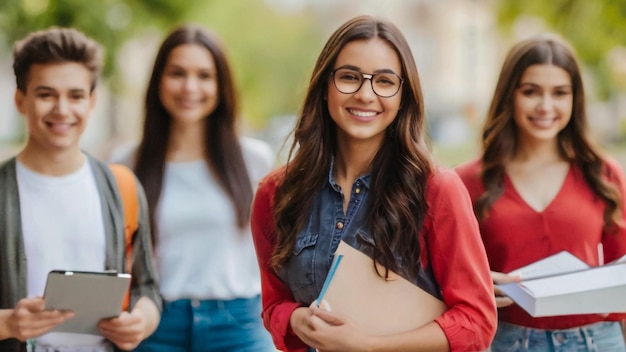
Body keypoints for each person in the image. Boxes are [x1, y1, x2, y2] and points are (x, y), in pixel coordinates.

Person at [250, 15, 497, 352]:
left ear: (403, 96)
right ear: (325, 87)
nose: (366, 94)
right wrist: (295, 320)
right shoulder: (276, 194)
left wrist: (369, 345)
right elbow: (273, 305)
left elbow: (476, 323)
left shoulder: (438, 191)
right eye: (350, 77)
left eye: (384, 81)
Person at [455, 34, 626, 351]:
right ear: (509, 96)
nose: (546, 106)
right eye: (531, 92)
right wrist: (474, 282)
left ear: (574, 99)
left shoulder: (604, 174)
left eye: (559, 93)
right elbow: (442, 276)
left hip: (599, 340)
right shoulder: (466, 181)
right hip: (506, 340)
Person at [0, 27, 161, 352]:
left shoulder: (122, 186)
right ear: (20, 100)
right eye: (46, 94)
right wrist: (7, 324)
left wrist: (140, 323)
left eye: (75, 95)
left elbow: (148, 289)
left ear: (92, 102)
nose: (62, 109)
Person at [120, 25, 275, 352]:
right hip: (155, 323)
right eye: (177, 73)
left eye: (204, 75)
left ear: (221, 86)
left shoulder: (254, 160)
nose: (190, 86)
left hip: (239, 323)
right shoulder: (127, 164)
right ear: (158, 81)